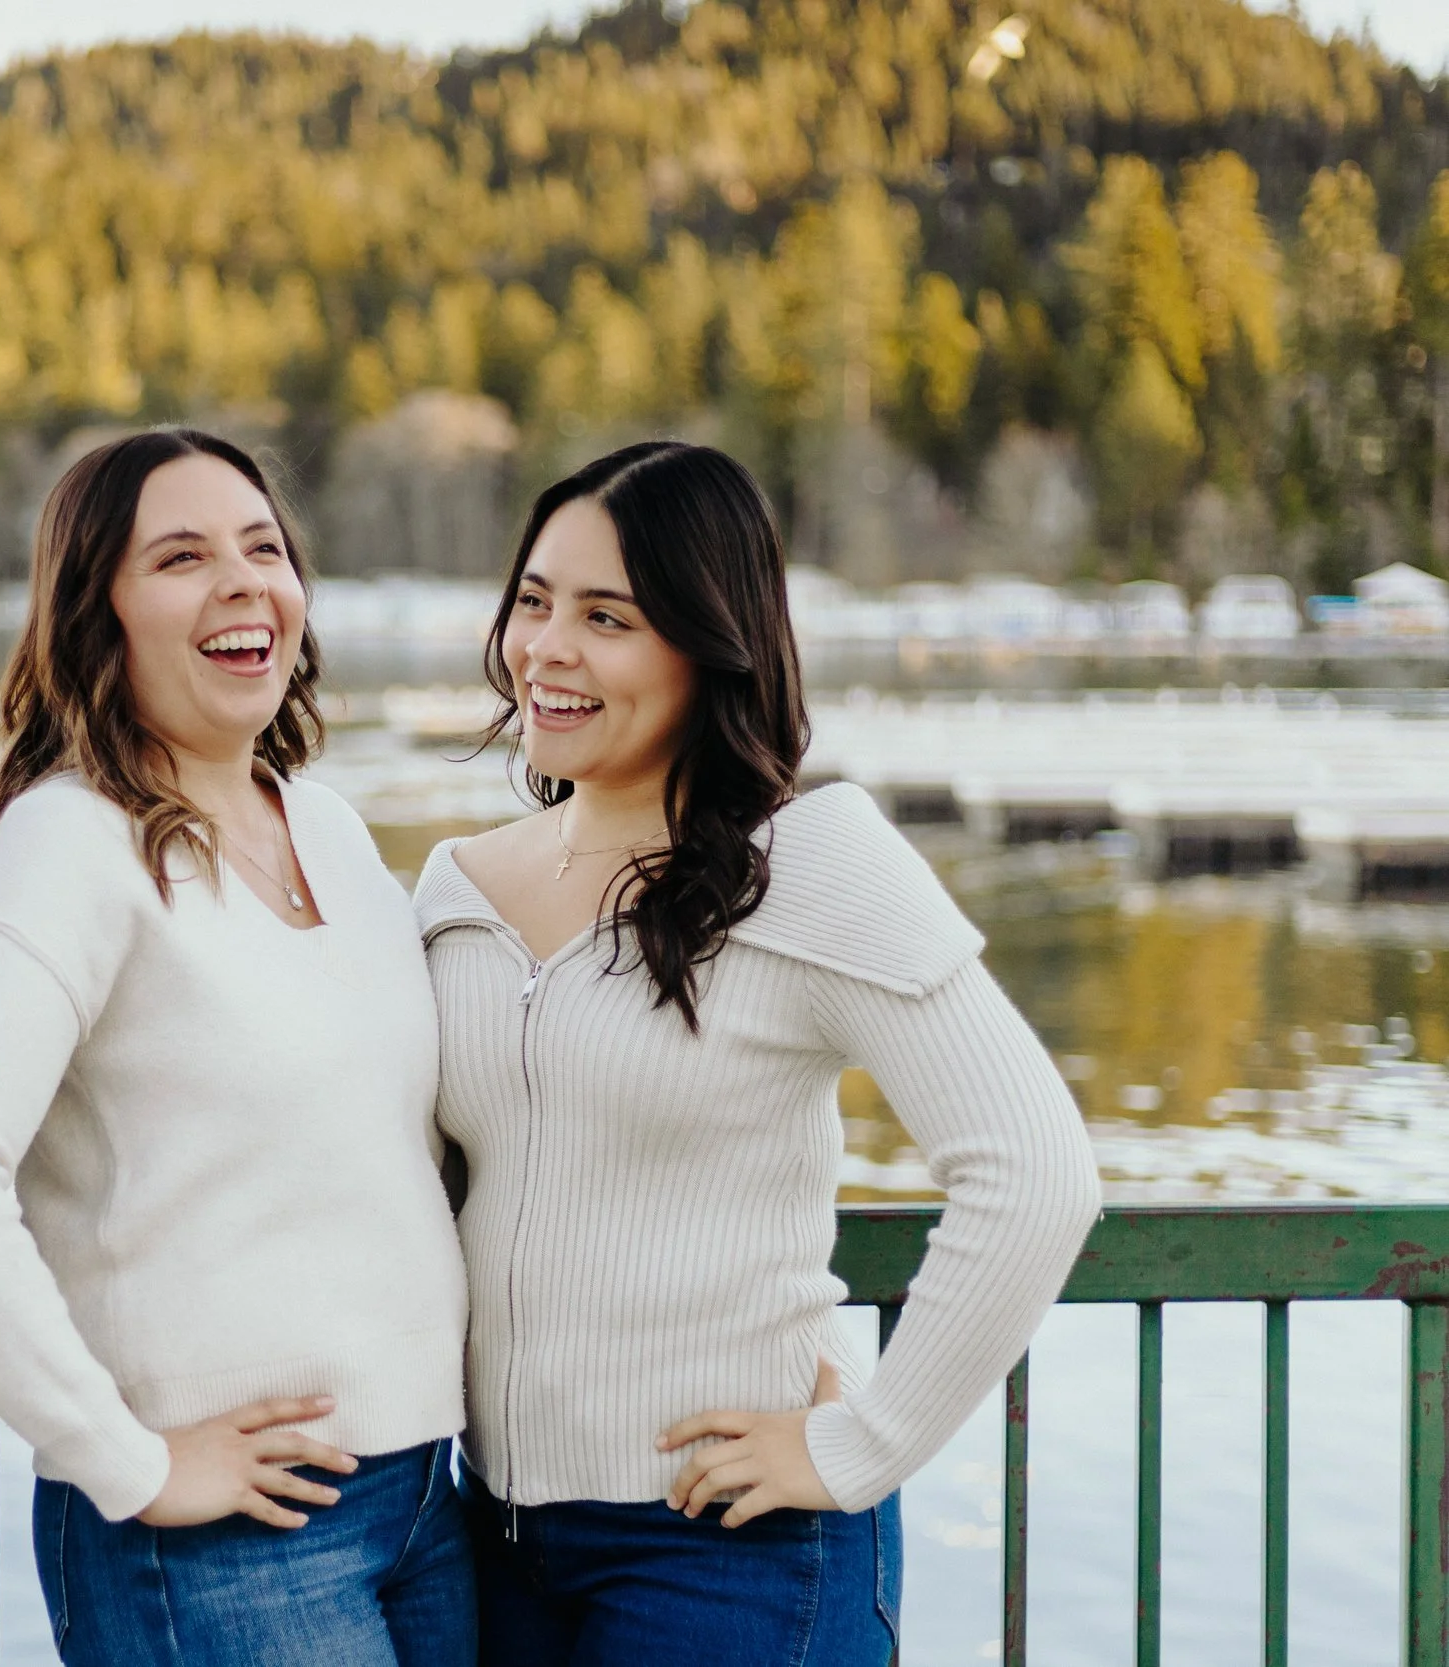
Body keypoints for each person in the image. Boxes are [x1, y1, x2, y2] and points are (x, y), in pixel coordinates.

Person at [417, 441, 1100, 1665]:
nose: (546, 649)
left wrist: (860, 1444)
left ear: (706, 640)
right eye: (533, 600)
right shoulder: (453, 888)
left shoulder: (811, 864)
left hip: (725, 1551)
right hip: (492, 1544)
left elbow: (1036, 1170)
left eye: (606, 617)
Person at [0, 428, 474, 1667]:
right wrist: (123, 1459)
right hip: (227, 1547)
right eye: (182, 556)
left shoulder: (332, 828)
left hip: (422, 1502)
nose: (243, 581)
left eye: (263, 547)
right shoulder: (69, 844)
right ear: (101, 615)